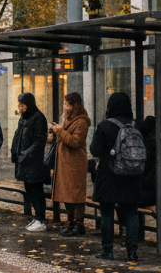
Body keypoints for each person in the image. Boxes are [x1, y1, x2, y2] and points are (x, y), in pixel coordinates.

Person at [90, 91, 142, 261]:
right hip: (132, 175)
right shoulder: (136, 126)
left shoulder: (104, 126)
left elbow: (94, 149)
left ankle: (108, 250)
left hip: (109, 175)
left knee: (107, 213)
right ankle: (132, 251)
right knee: (131, 213)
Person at [51, 92, 90, 237]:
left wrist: (60, 131)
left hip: (75, 163)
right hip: (65, 162)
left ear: (75, 105)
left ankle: (79, 224)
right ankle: (71, 222)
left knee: (76, 195)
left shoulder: (82, 121)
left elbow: (75, 142)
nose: (64, 107)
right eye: (64, 104)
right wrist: (58, 130)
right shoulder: (67, 118)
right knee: (67, 193)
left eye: (67, 105)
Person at [11, 92, 49, 232]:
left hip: (33, 162)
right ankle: (37, 217)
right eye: (19, 105)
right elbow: (17, 136)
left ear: (29, 105)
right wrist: (15, 152)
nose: (20, 109)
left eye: (22, 106)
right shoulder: (23, 118)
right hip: (23, 161)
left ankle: (41, 219)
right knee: (29, 189)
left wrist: (26, 154)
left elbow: (39, 141)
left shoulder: (38, 118)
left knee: (36, 190)